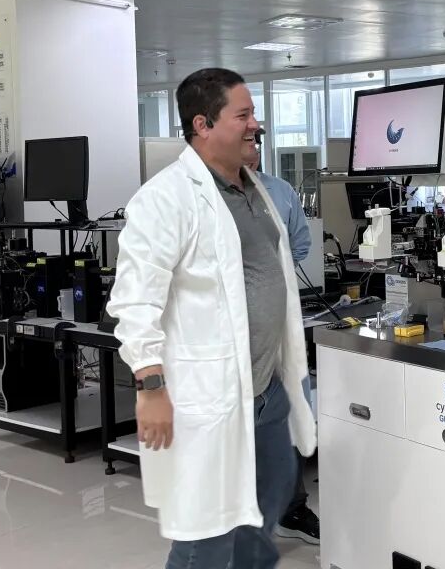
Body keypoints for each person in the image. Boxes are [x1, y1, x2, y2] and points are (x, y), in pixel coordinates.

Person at [108, 68, 315, 569]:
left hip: (266, 393)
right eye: (243, 115)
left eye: (254, 114)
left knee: (263, 513)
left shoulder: (257, 190)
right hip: (209, 397)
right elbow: (134, 303)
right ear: (202, 124)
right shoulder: (166, 198)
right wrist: (151, 387)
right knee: (205, 535)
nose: (255, 125)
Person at [242, 130, 320, 546]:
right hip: (234, 329)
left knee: (286, 410)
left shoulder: (281, 191)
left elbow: (301, 243)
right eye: (243, 141)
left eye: (255, 143)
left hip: (278, 322)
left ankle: (292, 507)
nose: (251, 151)